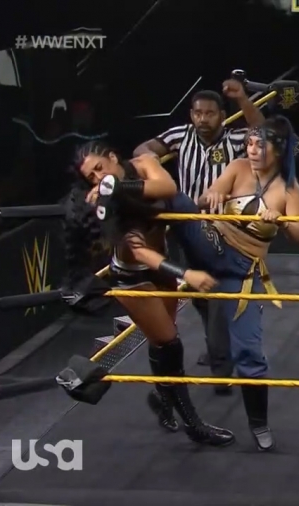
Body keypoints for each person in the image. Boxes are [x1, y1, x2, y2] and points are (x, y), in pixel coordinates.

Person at [62, 140, 235, 447]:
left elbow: (167, 188)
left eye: (99, 168)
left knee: (162, 340)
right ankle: (193, 424)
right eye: (91, 177)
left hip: (160, 265)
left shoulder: (142, 164)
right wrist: (187, 274)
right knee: (170, 343)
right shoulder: (108, 207)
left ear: (113, 156)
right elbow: (140, 252)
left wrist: (119, 187)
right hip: (134, 279)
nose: (98, 178)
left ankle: (164, 401)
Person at [170, 114, 299, 451]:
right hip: (211, 244)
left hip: (242, 271)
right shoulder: (238, 167)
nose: (253, 150)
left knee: (249, 351)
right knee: (175, 199)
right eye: (250, 144)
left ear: (278, 149)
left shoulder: (289, 190)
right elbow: (206, 196)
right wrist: (212, 196)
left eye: (261, 145)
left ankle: (259, 423)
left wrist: (282, 220)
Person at [133, 81, 266, 394]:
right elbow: (143, 150)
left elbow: (261, 132)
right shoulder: (179, 136)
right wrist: (150, 162)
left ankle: (222, 367)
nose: (203, 119)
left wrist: (242, 99)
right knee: (200, 295)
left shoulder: (235, 139)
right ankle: (218, 347)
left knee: (217, 295)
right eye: (198, 113)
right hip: (186, 226)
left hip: (224, 229)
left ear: (222, 115)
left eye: (209, 113)